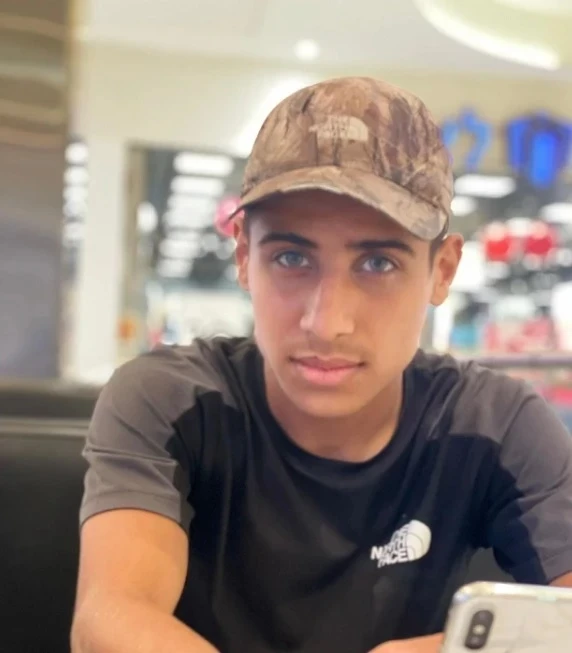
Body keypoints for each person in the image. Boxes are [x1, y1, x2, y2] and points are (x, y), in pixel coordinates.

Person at [71, 77, 572, 653]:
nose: (327, 322)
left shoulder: (495, 425)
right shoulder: (171, 401)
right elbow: (110, 618)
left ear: (442, 270)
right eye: (291, 257)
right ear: (244, 255)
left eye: (378, 264)